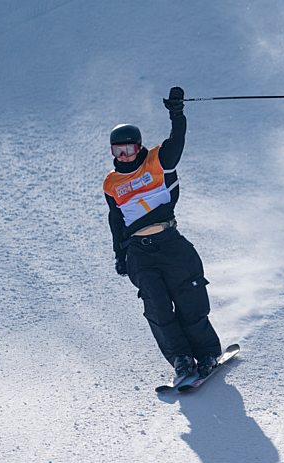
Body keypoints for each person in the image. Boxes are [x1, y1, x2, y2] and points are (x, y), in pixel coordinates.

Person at [103, 86, 222, 380]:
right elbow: (116, 220)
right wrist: (121, 255)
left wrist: (177, 114)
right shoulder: (111, 183)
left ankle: (206, 353)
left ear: (139, 147)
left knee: (188, 299)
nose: (125, 155)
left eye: (129, 149)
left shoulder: (157, 161)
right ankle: (180, 358)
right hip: (139, 253)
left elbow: (177, 141)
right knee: (156, 307)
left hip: (170, 243)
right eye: (119, 151)